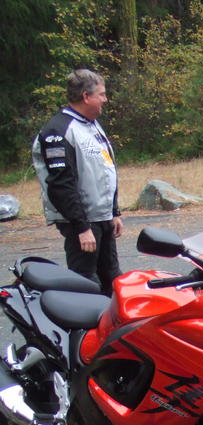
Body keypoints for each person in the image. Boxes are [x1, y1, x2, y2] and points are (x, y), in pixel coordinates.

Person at [32, 68, 123, 296]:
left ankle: (111, 330)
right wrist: (81, 227)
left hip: (101, 218)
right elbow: (61, 184)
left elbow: (103, 170)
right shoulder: (59, 130)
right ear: (85, 96)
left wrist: (114, 211)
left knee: (112, 279)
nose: (105, 99)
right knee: (85, 284)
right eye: (101, 94)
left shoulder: (90, 125)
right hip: (81, 222)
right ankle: (83, 331)